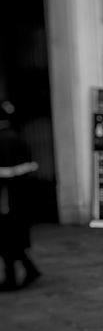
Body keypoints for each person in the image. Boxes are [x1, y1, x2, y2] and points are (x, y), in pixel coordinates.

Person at [0, 101, 41, 291]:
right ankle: (28, 269)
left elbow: (8, 172)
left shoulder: (3, 139)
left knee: (6, 238)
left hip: (6, 200)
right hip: (20, 199)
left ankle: (12, 277)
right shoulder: (18, 138)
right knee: (12, 238)